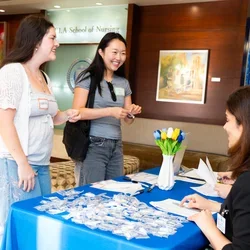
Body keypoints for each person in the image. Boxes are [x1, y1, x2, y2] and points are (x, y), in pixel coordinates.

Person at [0, 15, 81, 242]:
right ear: (36, 42)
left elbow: (51, 116)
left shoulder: (43, 76)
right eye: (52, 38)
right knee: (18, 229)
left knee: (39, 226)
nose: (57, 43)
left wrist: (66, 115)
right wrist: (23, 164)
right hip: (18, 164)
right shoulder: (13, 72)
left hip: (42, 164)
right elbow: (4, 122)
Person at [180, 86, 250, 249]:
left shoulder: (246, 183)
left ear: (244, 124)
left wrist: (209, 228)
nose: (225, 127)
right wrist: (212, 206)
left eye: (228, 120)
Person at [72, 32, 142, 186]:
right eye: (115, 52)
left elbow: (127, 120)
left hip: (116, 146)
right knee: (92, 194)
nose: (119, 57)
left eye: (123, 53)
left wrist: (131, 113)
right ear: (101, 52)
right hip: (93, 145)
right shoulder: (87, 78)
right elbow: (76, 112)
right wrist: (110, 111)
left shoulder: (123, 83)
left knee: (113, 193)